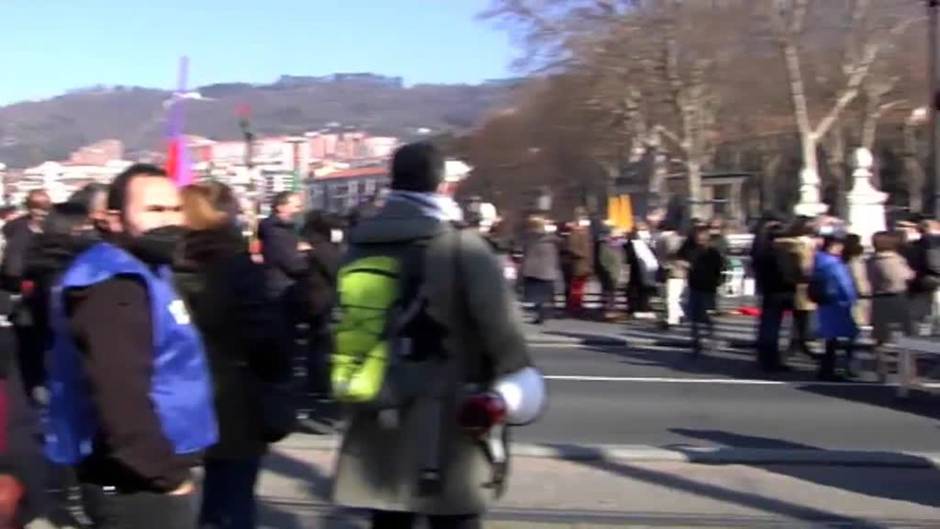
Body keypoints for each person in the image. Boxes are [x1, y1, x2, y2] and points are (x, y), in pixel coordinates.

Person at [332, 143, 537, 529]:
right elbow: (503, 333)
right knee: (452, 515)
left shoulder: (361, 243)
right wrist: (515, 380)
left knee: (388, 512)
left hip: (377, 400)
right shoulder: (461, 246)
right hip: (449, 412)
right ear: (443, 186)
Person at [45, 163, 218, 529]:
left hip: (155, 467)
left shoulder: (147, 269)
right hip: (136, 482)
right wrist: (166, 475)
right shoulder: (113, 286)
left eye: (174, 209)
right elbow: (119, 393)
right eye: (154, 210)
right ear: (115, 220)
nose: (169, 220)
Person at [176, 182, 292, 529]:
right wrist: (278, 378)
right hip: (234, 397)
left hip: (177, 396)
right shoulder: (239, 267)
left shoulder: (165, 266)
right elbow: (266, 337)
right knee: (231, 500)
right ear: (226, 215)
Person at [1, 190, 51, 400]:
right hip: (27, 296)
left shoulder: (14, 229)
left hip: (22, 298)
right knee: (30, 345)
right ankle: (35, 385)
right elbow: (13, 269)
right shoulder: (24, 234)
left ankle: (35, 384)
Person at [297, 211, 345, 396]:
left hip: (311, 298)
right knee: (323, 345)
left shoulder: (308, 242)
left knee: (314, 344)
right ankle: (322, 385)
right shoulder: (323, 247)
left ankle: (314, 384)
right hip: (323, 299)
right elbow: (337, 271)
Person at [867, 231, 915, 381]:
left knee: (881, 337)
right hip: (895, 298)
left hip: (878, 298)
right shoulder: (892, 260)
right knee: (905, 336)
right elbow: (902, 277)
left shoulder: (872, 259)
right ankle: (908, 372)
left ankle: (881, 369)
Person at [812, 233, 859, 381]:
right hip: (838, 302)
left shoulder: (819, 260)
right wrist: (852, 299)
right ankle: (839, 369)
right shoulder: (834, 264)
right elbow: (845, 284)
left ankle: (826, 368)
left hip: (825, 302)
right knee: (846, 336)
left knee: (830, 338)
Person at [258, 191, 308, 307]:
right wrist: (308, 253)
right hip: (281, 292)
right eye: (296, 207)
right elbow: (294, 265)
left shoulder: (286, 230)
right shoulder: (276, 232)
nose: (299, 211)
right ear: (281, 208)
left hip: (283, 289)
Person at [685, 226, 727, 357]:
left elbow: (721, 267)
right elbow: (679, 258)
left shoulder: (713, 252)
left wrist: (718, 281)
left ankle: (711, 337)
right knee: (694, 316)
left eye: (702, 237)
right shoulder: (691, 249)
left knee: (708, 316)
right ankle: (696, 341)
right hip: (694, 286)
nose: (700, 240)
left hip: (708, 288)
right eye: (698, 237)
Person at [520, 215, 560, 325]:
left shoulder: (529, 238)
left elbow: (527, 255)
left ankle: (541, 314)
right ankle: (545, 314)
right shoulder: (551, 240)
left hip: (534, 271)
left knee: (536, 294)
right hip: (547, 271)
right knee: (545, 295)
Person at [903, 219, 940, 334]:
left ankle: (922, 336)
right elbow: (935, 265)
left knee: (922, 315)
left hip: (918, 283)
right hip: (933, 280)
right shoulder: (934, 242)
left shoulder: (911, 246)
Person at [564, 210, 593, 316]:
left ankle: (578, 304)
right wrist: (582, 254)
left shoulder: (586, 233)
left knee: (580, 287)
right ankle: (575, 306)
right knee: (576, 287)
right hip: (578, 265)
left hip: (585, 265)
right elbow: (571, 248)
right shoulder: (574, 233)